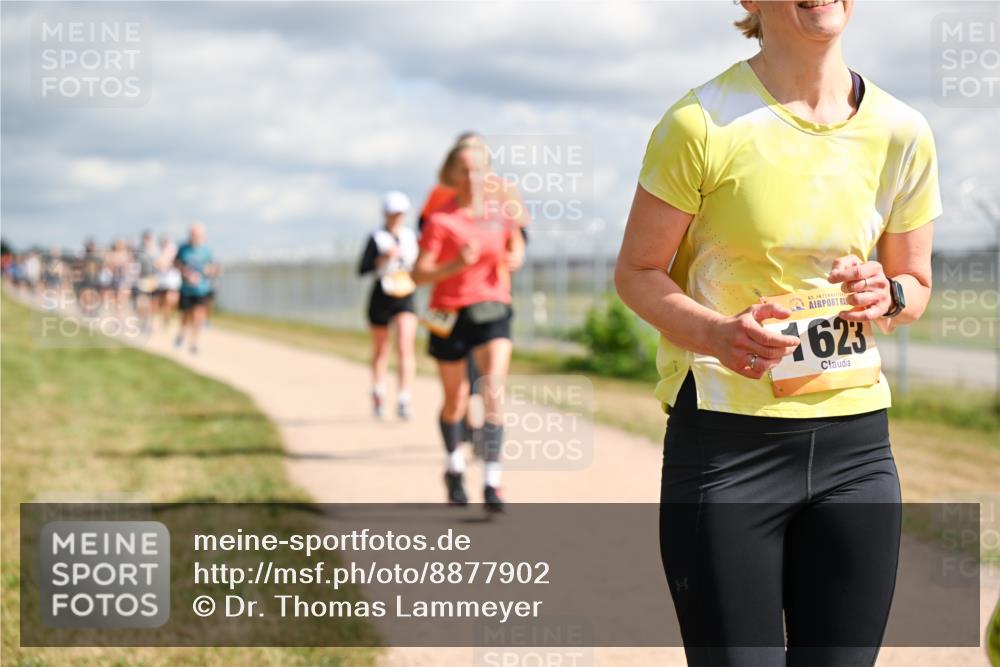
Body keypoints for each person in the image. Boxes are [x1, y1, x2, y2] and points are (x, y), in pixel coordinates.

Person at [614, 2, 939, 665]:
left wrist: (890, 291)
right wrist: (716, 333)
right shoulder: (700, 122)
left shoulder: (904, 131)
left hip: (858, 452)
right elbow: (637, 272)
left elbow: (916, 286)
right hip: (729, 451)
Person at [411, 142, 524, 512]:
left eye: (479, 169)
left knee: (493, 390)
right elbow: (417, 274)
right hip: (448, 313)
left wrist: (515, 255)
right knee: (455, 400)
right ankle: (455, 468)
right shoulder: (440, 220)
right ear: (451, 176)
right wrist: (454, 265)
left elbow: (516, 243)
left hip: (492, 308)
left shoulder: (501, 210)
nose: (473, 177)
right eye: (464, 170)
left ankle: (492, 481)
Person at [358, 191, 420, 420]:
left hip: (405, 294)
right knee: (381, 348)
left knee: (405, 346)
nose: (396, 217)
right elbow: (362, 269)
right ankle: (378, 391)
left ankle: (404, 397)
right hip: (382, 295)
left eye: (400, 214)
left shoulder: (411, 237)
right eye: (393, 213)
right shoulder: (376, 238)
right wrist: (383, 258)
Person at [174, 222, 218, 355]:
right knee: (186, 316)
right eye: (193, 234)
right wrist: (184, 272)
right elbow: (176, 263)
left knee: (199, 316)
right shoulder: (183, 248)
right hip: (186, 289)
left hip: (201, 289)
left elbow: (214, 268)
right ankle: (181, 334)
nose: (196, 237)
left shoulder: (207, 250)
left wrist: (209, 271)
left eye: (198, 235)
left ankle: (194, 343)